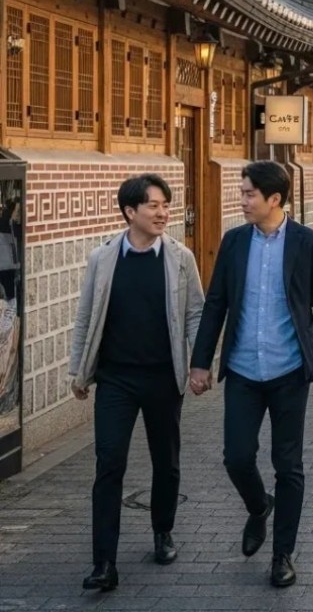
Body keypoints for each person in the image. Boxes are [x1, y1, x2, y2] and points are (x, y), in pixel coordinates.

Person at [190, 161, 313, 589]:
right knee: (236, 456)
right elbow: (216, 303)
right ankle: (258, 507)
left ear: (274, 199)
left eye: (250, 193)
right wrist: (201, 362)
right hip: (242, 370)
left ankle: (283, 554)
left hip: (290, 371)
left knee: (288, 464)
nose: (243, 199)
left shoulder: (307, 243)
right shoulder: (234, 242)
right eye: (243, 192)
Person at [69, 174, 205, 593]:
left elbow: (196, 313)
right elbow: (86, 315)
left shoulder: (181, 258)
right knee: (109, 464)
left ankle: (162, 531)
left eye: (166, 204)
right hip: (116, 379)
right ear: (130, 211)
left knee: (166, 462)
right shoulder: (104, 258)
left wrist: (199, 364)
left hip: (164, 378)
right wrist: (78, 370)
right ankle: (104, 563)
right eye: (153, 205)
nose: (163, 212)